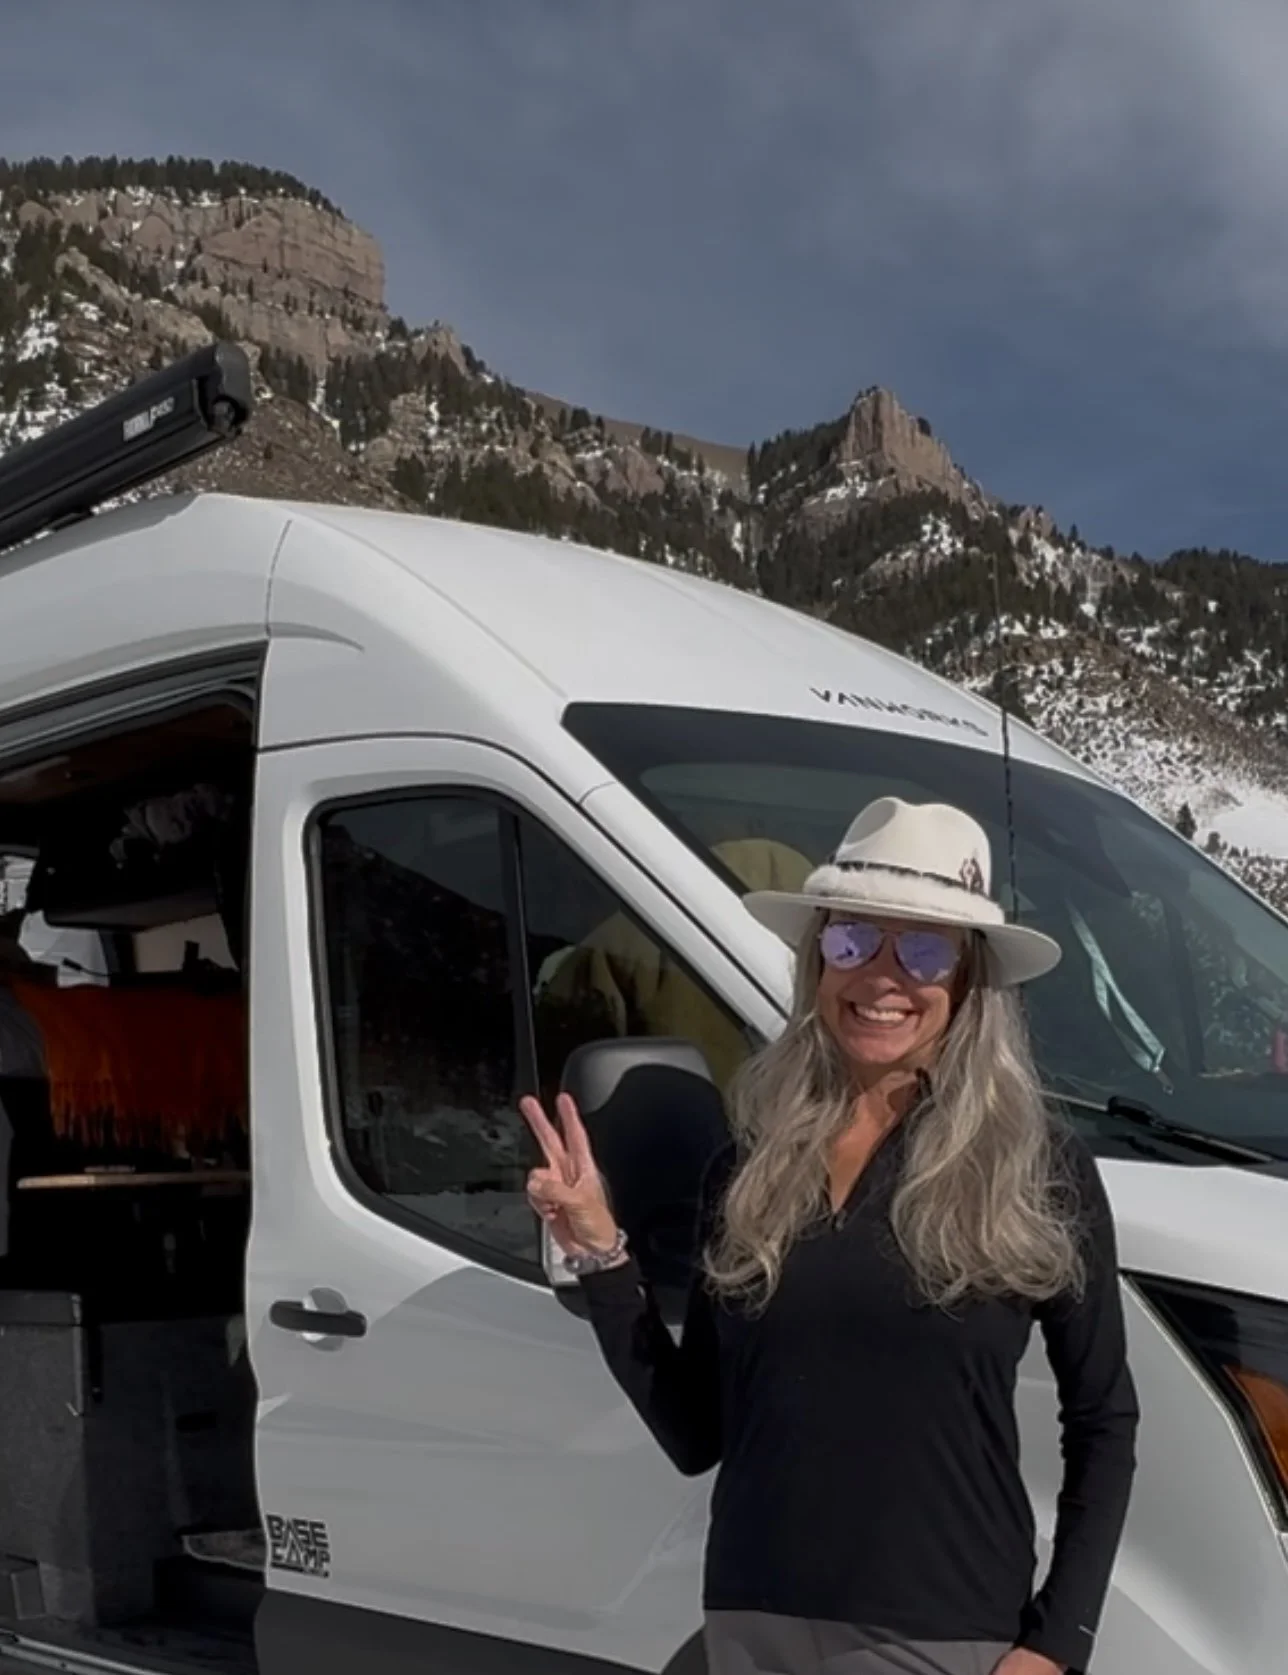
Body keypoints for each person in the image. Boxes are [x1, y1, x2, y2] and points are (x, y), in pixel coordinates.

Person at [520, 796, 1139, 1675]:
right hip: (751, 1623)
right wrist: (599, 1250)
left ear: (969, 980)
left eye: (924, 949)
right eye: (853, 940)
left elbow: (1104, 1418)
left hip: (938, 1634)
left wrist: (1056, 1643)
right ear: (818, 961)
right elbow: (695, 1431)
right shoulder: (750, 1165)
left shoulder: (1035, 1169)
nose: (882, 976)